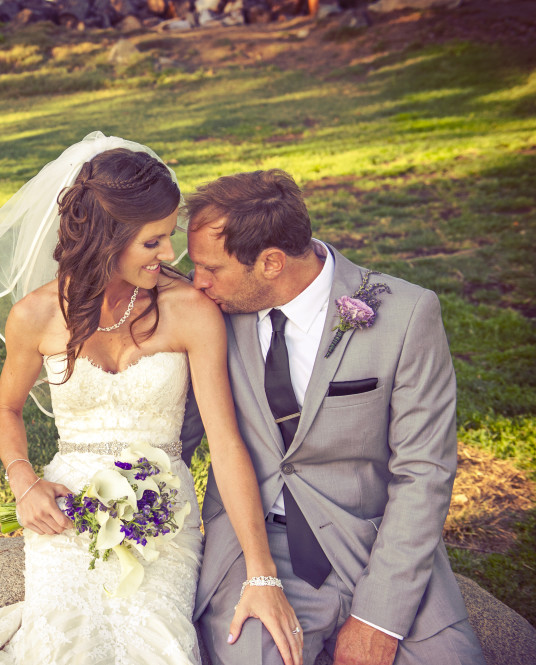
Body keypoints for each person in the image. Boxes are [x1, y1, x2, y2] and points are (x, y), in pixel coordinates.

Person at [0, 133, 302, 665]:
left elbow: (225, 443)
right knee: (65, 643)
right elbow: (5, 409)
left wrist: (261, 571)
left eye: (167, 236)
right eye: (153, 243)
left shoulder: (189, 311)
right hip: (65, 513)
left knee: (158, 646)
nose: (170, 255)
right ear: (107, 240)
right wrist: (26, 484)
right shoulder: (35, 315)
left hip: (164, 516)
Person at [181, 169, 484, 665]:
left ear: (272, 263)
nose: (198, 282)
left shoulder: (407, 315)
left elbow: (423, 472)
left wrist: (377, 618)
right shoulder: (205, 312)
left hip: (372, 539)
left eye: (211, 268)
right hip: (258, 544)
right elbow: (178, 435)